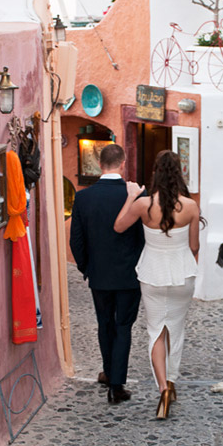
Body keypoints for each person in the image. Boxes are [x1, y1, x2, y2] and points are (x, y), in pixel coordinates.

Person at [114, 150, 200, 420]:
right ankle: (172, 383)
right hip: (182, 274)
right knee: (176, 329)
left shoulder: (143, 205)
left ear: (156, 174)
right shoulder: (190, 206)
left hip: (151, 274)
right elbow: (194, 246)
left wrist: (130, 197)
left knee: (156, 332)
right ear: (179, 173)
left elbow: (118, 227)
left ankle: (163, 388)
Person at [69, 144, 144, 405]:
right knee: (123, 326)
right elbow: (141, 238)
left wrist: (86, 267)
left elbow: (76, 241)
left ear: (100, 165)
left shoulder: (84, 197)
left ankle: (109, 372)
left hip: (99, 275)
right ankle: (116, 384)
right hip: (128, 274)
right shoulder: (134, 195)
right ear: (122, 163)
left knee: (105, 324)